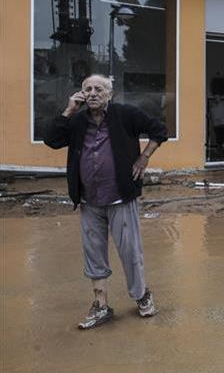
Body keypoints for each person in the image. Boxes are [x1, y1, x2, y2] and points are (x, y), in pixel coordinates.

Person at [43, 74, 167, 330]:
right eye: (87, 89)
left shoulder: (125, 114)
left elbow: (159, 130)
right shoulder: (77, 121)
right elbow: (52, 140)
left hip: (120, 196)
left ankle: (142, 295)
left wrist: (144, 157)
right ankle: (101, 305)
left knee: (130, 251)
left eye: (99, 89)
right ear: (81, 94)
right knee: (93, 254)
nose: (93, 93)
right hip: (89, 200)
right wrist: (68, 109)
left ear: (110, 94)